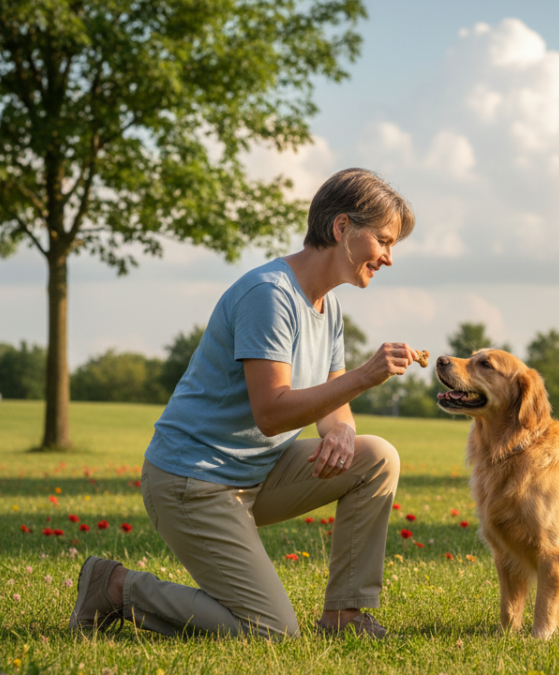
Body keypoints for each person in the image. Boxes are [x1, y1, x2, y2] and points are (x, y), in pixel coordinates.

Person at [68, 168, 419, 639]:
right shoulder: (269, 295)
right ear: (342, 228)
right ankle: (114, 588)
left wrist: (341, 430)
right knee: (272, 633)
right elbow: (271, 411)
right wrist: (365, 375)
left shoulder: (328, 307)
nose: (389, 258)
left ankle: (346, 615)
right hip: (193, 482)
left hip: (256, 473)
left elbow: (333, 404)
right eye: (383, 241)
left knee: (376, 457)